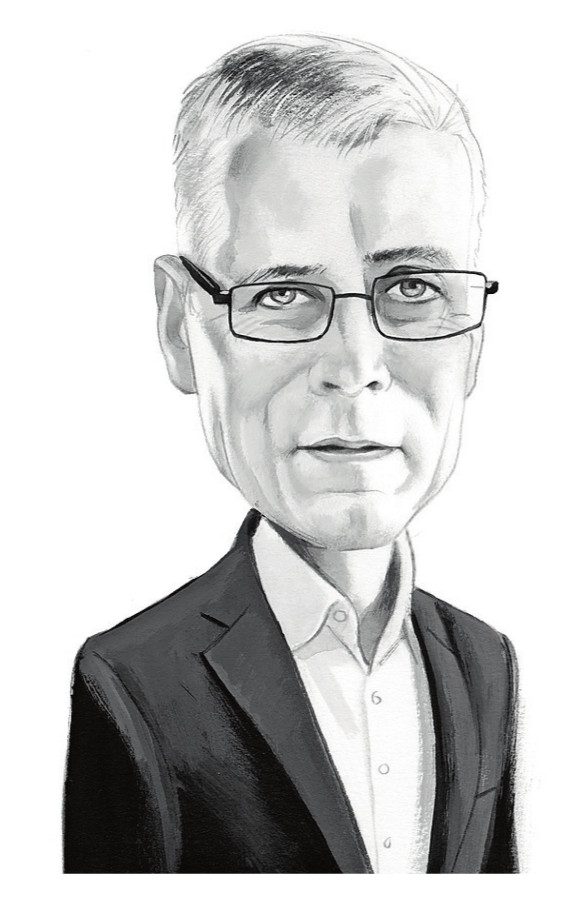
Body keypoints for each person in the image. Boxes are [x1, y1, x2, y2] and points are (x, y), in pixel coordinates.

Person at [63, 34, 518, 873]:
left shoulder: (486, 663)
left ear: (476, 336)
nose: (356, 366)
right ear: (179, 328)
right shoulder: (130, 681)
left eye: (414, 287)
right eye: (281, 294)